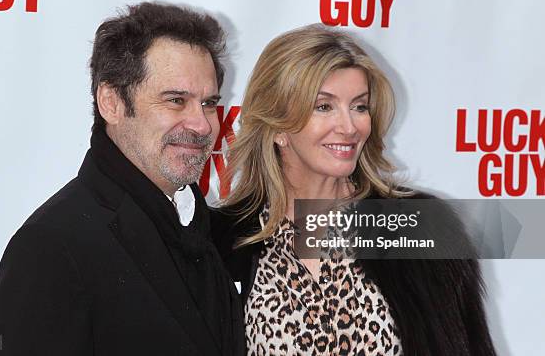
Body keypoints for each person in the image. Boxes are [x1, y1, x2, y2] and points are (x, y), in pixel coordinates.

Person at [212, 25, 496, 355]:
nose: (349, 127)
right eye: (324, 106)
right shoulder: (224, 240)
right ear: (278, 128)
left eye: (359, 107)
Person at [0, 2, 244, 356]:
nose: (202, 125)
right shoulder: (52, 246)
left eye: (209, 103)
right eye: (175, 100)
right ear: (112, 102)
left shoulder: (208, 228)